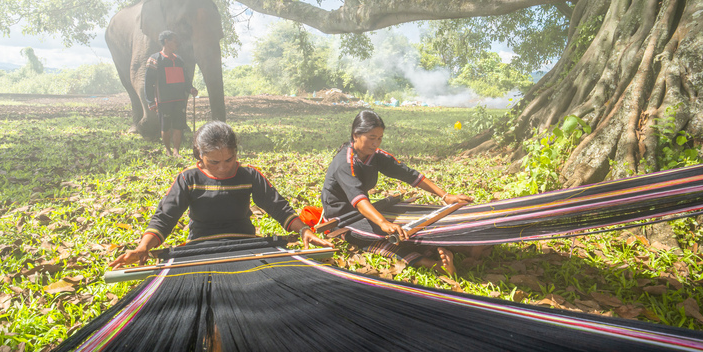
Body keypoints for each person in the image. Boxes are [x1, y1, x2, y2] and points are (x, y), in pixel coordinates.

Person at [111, 121, 332, 268]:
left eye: (229, 159)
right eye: (214, 162)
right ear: (200, 156)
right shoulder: (188, 179)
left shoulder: (249, 175)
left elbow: (277, 206)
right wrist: (143, 247)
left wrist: (303, 230)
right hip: (200, 248)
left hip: (245, 245)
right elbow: (165, 217)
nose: (224, 167)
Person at [321, 110, 473, 274]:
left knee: (406, 226)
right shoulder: (344, 163)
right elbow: (358, 199)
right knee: (384, 236)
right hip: (342, 217)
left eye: (379, 138)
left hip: (364, 210)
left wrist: (446, 196)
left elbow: (410, 175)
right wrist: (383, 223)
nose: (376, 143)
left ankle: (460, 248)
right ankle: (433, 264)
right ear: (356, 135)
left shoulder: (376, 156)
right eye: (372, 138)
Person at [144, 30, 199, 157]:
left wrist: (190, 89)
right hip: (164, 100)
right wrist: (150, 101)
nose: (177, 43)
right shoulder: (154, 59)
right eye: (174, 40)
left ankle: (176, 151)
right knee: (165, 127)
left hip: (179, 99)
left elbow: (185, 79)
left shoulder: (179, 60)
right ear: (166, 41)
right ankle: (168, 150)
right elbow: (148, 82)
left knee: (179, 125)